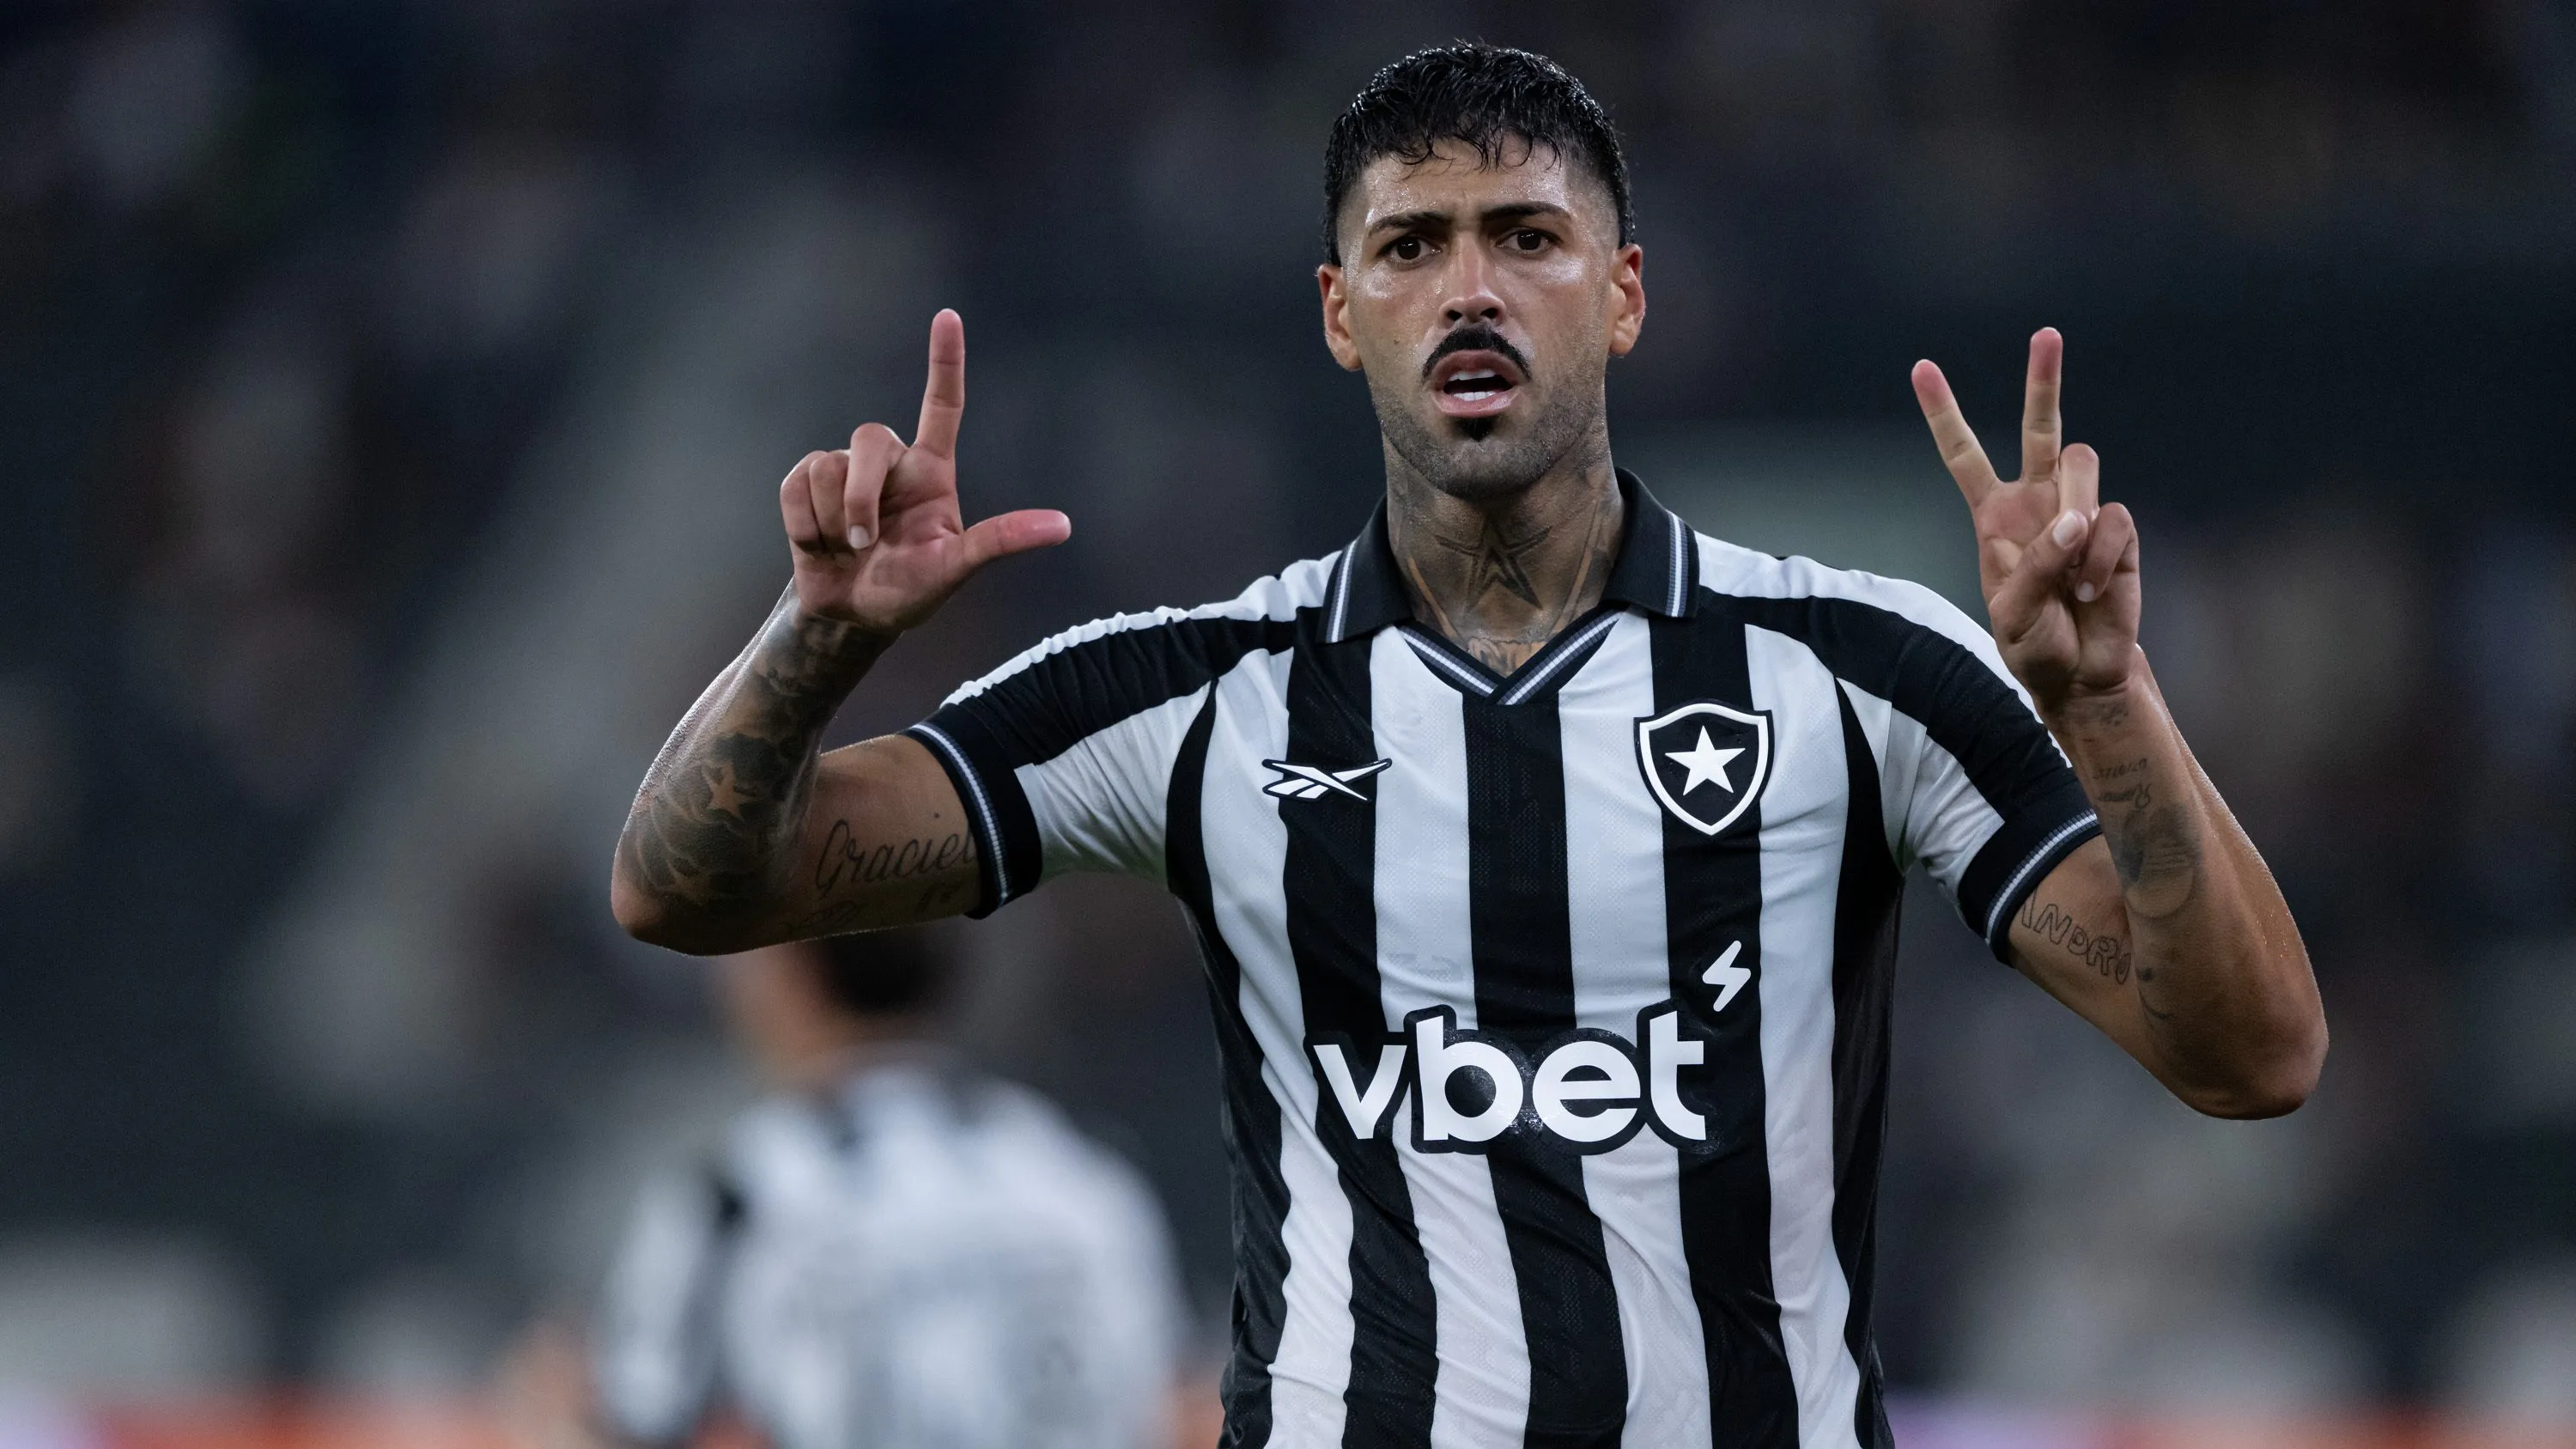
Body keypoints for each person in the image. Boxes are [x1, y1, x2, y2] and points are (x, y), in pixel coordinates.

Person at [608, 42, 2326, 1449]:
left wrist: (2109, 705)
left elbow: (2254, 1057)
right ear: (1344, 312)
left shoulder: (1858, 668)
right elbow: (686, 888)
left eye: (1528, 234)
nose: (1471, 288)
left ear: (1626, 293)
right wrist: (812, 642)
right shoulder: (1200, 693)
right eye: (1412, 246)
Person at [506, 930, 1185, 1449]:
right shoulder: (1083, 1174)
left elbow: (638, 1422)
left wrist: (556, 1413)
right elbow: (1176, 1406)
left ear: (782, 976)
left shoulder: (738, 1199)